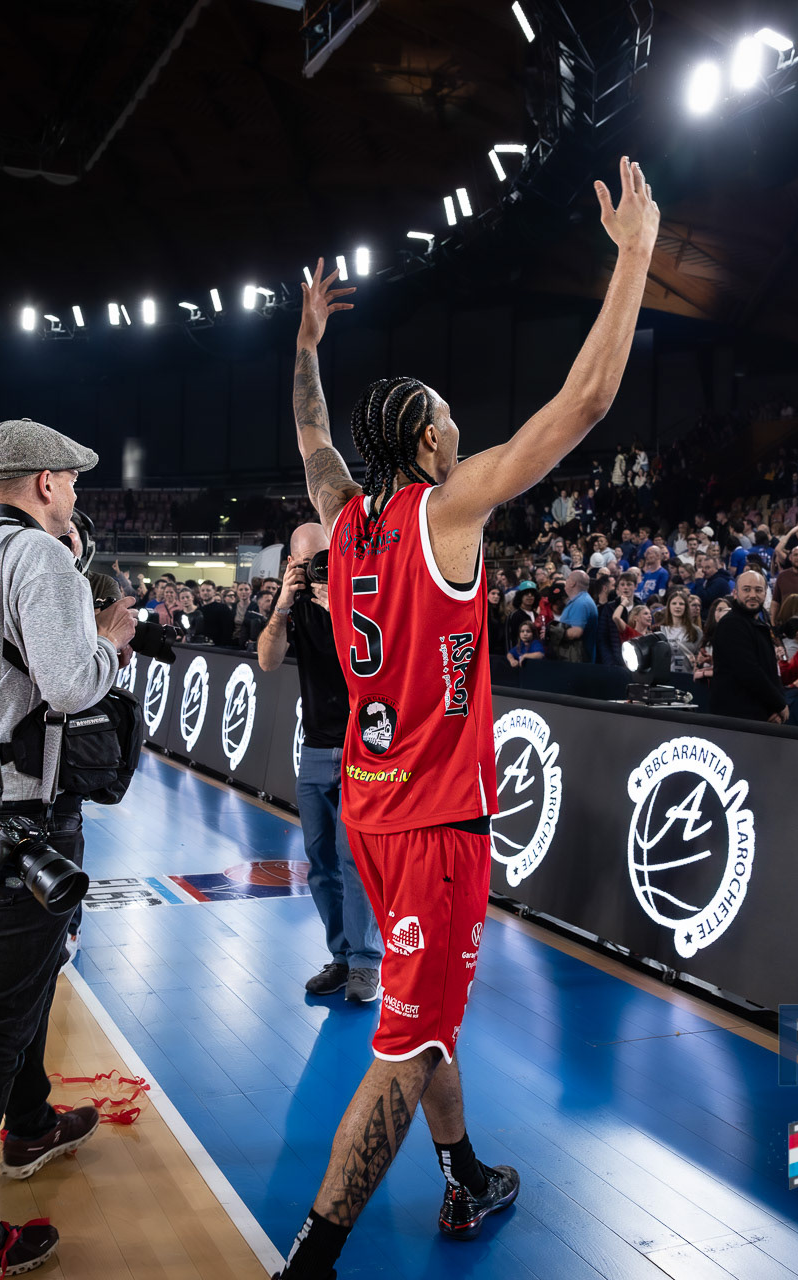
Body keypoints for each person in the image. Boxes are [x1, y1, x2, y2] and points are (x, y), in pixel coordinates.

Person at [279, 156, 659, 1280]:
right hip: (437, 824)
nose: (459, 424)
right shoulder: (447, 512)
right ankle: (312, 1261)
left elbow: (311, 435)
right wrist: (636, 255)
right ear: (430, 444)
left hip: (372, 807)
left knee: (426, 1011)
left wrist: (306, 343)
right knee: (403, 1043)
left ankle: (464, 1174)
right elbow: (583, 405)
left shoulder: (341, 516)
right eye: (449, 417)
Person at [0, 419, 137, 1278]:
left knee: (29, 981)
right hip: (23, 815)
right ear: (44, 482)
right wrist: (111, 643)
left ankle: (32, 1124)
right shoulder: (36, 557)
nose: (75, 491)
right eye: (70, 479)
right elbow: (71, 685)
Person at [258, 523, 383, 1004]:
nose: (320, 569)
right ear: (292, 564)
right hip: (314, 745)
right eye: (308, 562)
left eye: (326, 558)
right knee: (321, 861)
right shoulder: (292, 606)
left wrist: (342, 610)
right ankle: (342, 956)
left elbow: (379, 666)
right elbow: (267, 661)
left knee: (355, 858)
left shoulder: (365, 597)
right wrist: (283, 604)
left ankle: (366, 962)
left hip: (361, 746)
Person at [710, 570, 789, 724]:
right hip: (736, 718)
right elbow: (748, 670)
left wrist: (774, 707)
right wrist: (778, 704)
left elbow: (769, 670)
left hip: (760, 715)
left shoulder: (759, 624)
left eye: (758, 590)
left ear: (765, 594)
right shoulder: (731, 624)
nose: (753, 595)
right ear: (735, 593)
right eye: (746, 589)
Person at [558, 568, 599, 661]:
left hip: (577, 661)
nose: (566, 581)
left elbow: (576, 632)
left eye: (568, 578)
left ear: (572, 583)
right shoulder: (581, 600)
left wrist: (555, 633)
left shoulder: (581, 603)